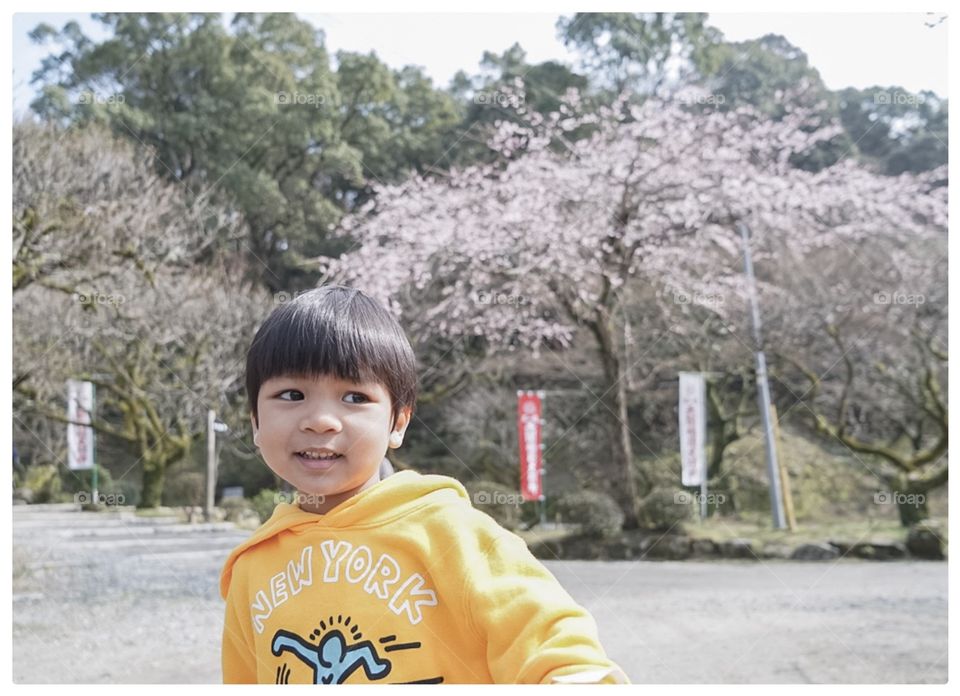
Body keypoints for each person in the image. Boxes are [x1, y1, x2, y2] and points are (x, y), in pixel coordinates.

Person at [219, 286, 629, 685]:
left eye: (355, 397)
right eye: (291, 394)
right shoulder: (253, 567)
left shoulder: (452, 534)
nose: (321, 420)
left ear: (397, 423)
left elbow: (551, 640)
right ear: (255, 421)